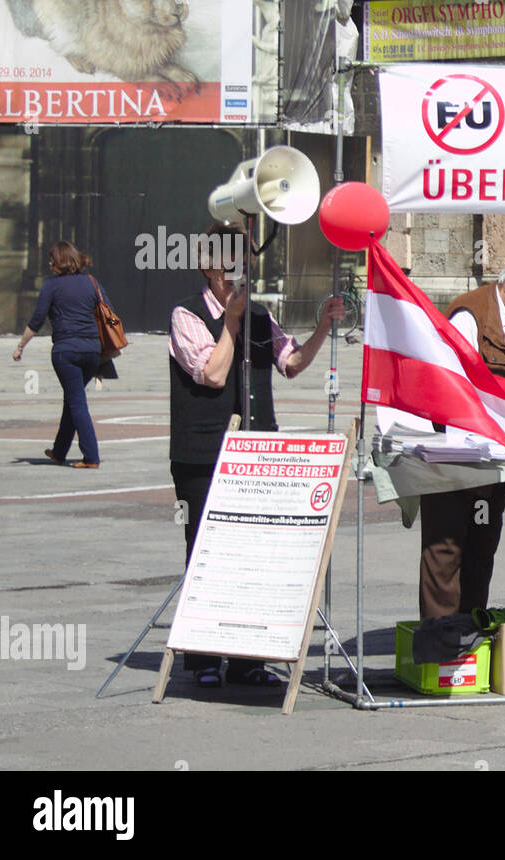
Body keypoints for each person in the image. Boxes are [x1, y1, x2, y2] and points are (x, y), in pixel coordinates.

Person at [168, 222, 345, 688]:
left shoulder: (261, 316)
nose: (238, 272)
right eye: (229, 263)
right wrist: (229, 321)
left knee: (253, 553)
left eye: (244, 261)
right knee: (205, 551)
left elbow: (291, 363)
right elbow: (213, 373)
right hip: (202, 453)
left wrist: (323, 327)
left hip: (256, 452)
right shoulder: (185, 315)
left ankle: (248, 659)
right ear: (208, 266)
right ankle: (204, 657)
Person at [421, 250, 505, 621]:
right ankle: (442, 645)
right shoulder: (470, 314)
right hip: (457, 462)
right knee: (446, 552)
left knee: (481, 547)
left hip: (493, 464)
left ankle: (472, 634)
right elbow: (457, 383)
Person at [12, 241, 113, 469]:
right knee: (73, 398)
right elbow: (108, 310)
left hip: (66, 351)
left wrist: (20, 346)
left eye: (51, 260)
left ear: (59, 262)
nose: (49, 265)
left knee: (76, 402)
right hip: (92, 351)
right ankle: (59, 452)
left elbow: (37, 319)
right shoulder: (91, 282)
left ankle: (91, 457)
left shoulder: (52, 286)